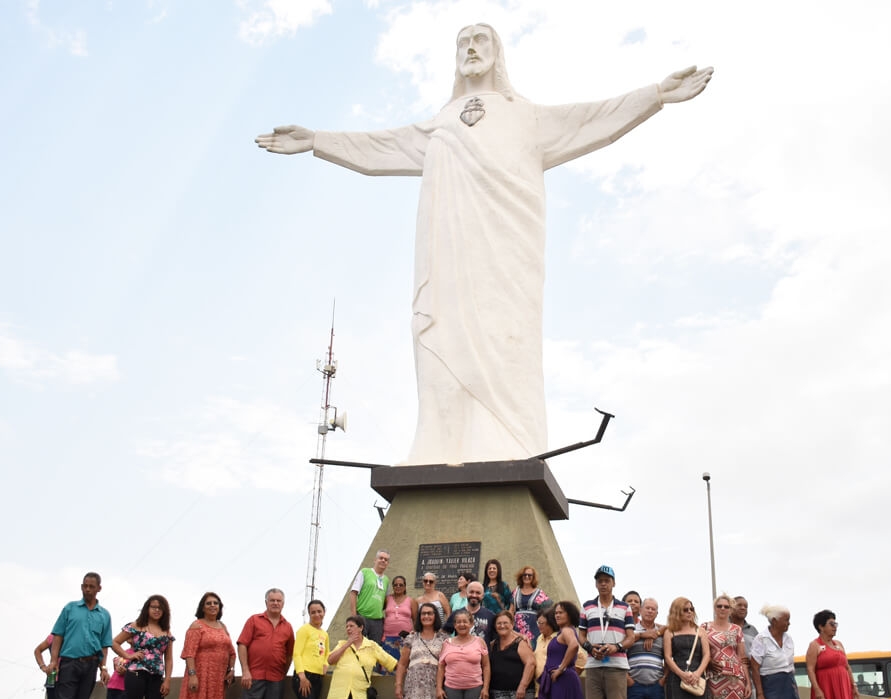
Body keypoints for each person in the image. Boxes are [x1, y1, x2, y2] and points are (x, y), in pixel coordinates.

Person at [255, 24, 713, 466]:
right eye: (463, 43)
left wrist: (655, 95)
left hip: (506, 257)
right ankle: (438, 443)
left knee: (503, 339)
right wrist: (317, 141)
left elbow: (591, 119)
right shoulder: (441, 123)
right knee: (439, 333)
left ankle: (504, 442)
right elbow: (378, 147)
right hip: (447, 254)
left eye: (480, 40)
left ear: (497, 54)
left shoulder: (526, 116)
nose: (471, 48)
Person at [46, 571, 113, 699]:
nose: (87, 589)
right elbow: (58, 636)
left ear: (99, 588)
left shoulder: (104, 615)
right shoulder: (70, 608)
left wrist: (103, 668)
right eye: (85, 586)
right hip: (69, 663)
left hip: (91, 665)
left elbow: (104, 645)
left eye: (91, 586)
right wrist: (53, 661)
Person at [579, 565, 636, 699]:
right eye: (600, 581)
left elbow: (631, 637)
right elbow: (581, 635)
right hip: (593, 666)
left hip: (617, 666)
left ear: (613, 583)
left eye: (607, 580)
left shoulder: (625, 607)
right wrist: (590, 648)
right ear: (596, 584)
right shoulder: (587, 607)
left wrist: (616, 647)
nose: (603, 584)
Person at [112, 594, 175, 699]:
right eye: (153, 607)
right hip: (136, 673)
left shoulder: (166, 631)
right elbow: (114, 642)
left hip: (156, 676)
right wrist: (128, 655)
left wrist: (167, 680)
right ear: (147, 608)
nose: (157, 610)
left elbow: (168, 659)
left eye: (160, 608)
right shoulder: (137, 625)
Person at [238, 588, 296, 699]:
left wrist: (282, 674)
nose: (275, 603)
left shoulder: (288, 627)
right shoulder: (254, 620)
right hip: (253, 677)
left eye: (278, 601)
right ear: (266, 602)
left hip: (276, 679)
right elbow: (242, 644)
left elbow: (289, 654)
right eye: (272, 600)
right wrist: (245, 671)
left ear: (283, 604)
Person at [177, 592, 237, 699]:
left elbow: (231, 651)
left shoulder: (223, 626)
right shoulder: (197, 625)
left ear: (219, 607)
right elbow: (189, 653)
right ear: (203, 608)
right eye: (208, 603)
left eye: (215, 603)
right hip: (201, 675)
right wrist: (192, 675)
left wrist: (231, 669)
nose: (212, 605)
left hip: (218, 678)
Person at [328, 615, 398, 699]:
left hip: (359, 692)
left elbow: (390, 662)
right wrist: (347, 644)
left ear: (361, 628)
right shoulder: (341, 644)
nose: (348, 629)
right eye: (347, 626)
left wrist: (406, 670)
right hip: (340, 691)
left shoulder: (372, 646)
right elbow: (330, 660)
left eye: (351, 626)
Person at [395, 602, 448, 699]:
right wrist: (398, 685)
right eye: (423, 614)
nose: (426, 616)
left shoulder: (443, 639)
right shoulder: (411, 638)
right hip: (414, 687)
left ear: (435, 616)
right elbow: (402, 664)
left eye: (429, 613)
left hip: (434, 686)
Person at [749, 606, 802, 699]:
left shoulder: (788, 639)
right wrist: (760, 694)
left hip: (789, 683)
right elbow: (755, 668)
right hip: (770, 686)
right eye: (786, 620)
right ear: (774, 621)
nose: (789, 623)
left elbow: (790, 666)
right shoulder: (761, 639)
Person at [703, 594, 750, 699]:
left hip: (736, 679)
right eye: (719, 606)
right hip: (714, 678)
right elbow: (700, 652)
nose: (723, 608)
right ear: (715, 608)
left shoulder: (737, 629)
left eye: (726, 606)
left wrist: (748, 683)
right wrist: (708, 661)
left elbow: (742, 658)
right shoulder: (704, 627)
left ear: (730, 610)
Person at [437, 610, 491, 699]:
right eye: (458, 622)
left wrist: (485, 688)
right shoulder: (447, 643)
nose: (462, 624)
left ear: (471, 624)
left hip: (474, 687)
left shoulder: (479, 642)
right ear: (454, 625)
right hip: (451, 687)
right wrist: (439, 688)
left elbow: (486, 666)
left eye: (465, 621)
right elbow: (441, 667)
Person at [664, 597, 711, 699]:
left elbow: (706, 655)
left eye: (691, 609)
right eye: (685, 609)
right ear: (677, 611)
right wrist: (681, 674)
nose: (689, 612)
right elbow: (668, 657)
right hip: (677, 678)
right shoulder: (669, 632)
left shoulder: (700, 631)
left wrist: (697, 674)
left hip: (697, 677)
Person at [537, 601, 584, 699]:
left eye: (561, 613)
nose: (557, 615)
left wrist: (561, 668)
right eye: (556, 613)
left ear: (570, 614)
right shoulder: (563, 631)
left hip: (562, 679)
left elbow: (574, 645)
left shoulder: (567, 630)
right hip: (558, 679)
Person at [805, 610, 856, 699]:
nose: (835, 627)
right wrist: (817, 689)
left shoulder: (839, 644)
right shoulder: (815, 645)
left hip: (843, 688)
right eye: (831, 624)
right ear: (821, 627)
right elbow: (810, 669)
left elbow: (847, 667)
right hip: (826, 688)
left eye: (835, 624)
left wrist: (854, 685)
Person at [489, 610, 537, 699]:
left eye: (505, 623)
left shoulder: (520, 643)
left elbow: (531, 664)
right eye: (499, 623)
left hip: (520, 691)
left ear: (512, 624)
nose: (502, 626)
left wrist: (523, 686)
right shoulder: (493, 644)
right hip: (498, 691)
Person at [626, 598, 665, 699]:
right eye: (647, 608)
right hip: (633, 685)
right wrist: (628, 679)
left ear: (657, 613)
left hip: (656, 685)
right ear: (640, 611)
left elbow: (668, 658)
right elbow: (621, 655)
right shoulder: (630, 630)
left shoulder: (663, 633)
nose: (650, 611)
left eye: (653, 609)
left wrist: (663, 679)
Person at [293, 599, 330, 699]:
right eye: (313, 612)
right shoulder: (304, 630)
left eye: (319, 611)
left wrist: (325, 665)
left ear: (324, 612)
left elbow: (327, 653)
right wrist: (302, 677)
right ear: (309, 614)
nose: (317, 615)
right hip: (304, 676)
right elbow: (297, 654)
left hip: (318, 678)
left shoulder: (325, 634)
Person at [350, 550, 390, 644]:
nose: (383, 560)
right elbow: (353, 593)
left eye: (386, 560)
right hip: (362, 616)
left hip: (377, 621)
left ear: (387, 563)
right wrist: (354, 617)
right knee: (358, 645)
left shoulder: (386, 580)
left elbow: (385, 601)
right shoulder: (364, 572)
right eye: (381, 558)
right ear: (375, 560)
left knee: (375, 648)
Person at [731, 597, 759, 699]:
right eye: (739, 605)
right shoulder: (724, 627)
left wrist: (752, 661)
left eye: (745, 606)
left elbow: (759, 653)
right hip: (730, 680)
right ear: (731, 607)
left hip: (751, 681)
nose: (743, 608)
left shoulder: (753, 630)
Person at [512, 566, 551, 646]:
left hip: (534, 626)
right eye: (524, 575)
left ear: (533, 577)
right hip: (517, 626)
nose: (527, 577)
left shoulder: (540, 593)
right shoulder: (516, 591)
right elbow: (511, 610)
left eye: (529, 575)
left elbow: (547, 612)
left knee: (533, 647)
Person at [384, 575, 416, 660]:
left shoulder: (411, 601)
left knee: (403, 663)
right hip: (388, 637)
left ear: (405, 587)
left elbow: (415, 620)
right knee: (388, 664)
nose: (398, 586)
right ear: (393, 586)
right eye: (396, 585)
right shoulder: (387, 599)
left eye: (401, 585)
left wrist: (414, 636)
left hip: (405, 638)